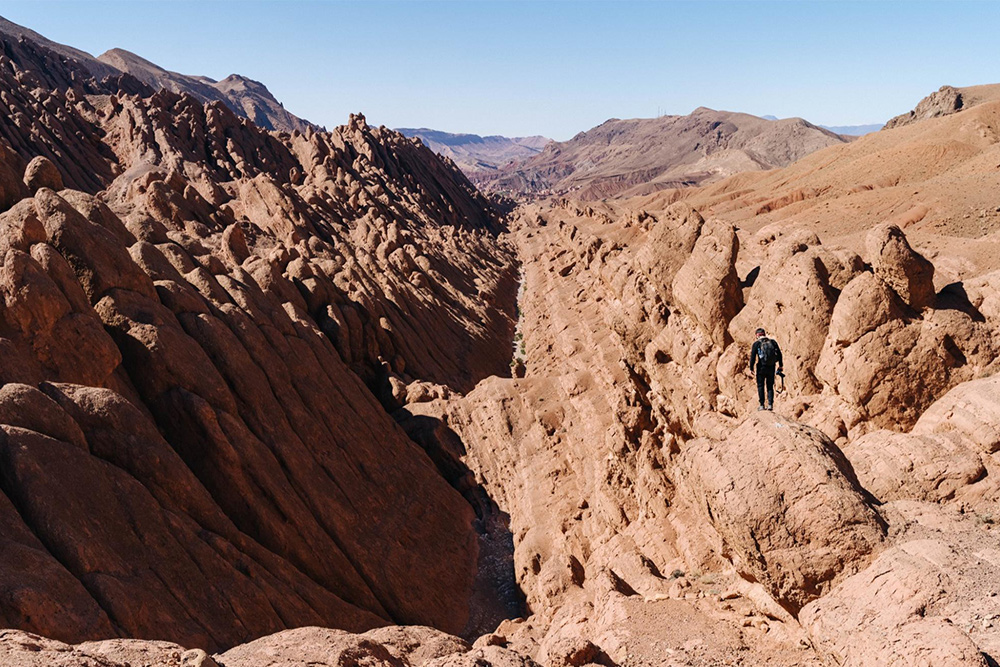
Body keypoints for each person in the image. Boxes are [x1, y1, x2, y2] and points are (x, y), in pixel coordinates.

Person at [749, 327, 783, 411]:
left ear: (757, 335)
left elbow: (753, 357)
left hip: (761, 367)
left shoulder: (756, 344)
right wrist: (780, 365)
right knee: (770, 386)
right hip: (771, 366)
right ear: (764, 334)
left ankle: (761, 405)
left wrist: (751, 368)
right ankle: (770, 404)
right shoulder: (773, 342)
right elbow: (779, 354)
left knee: (760, 385)